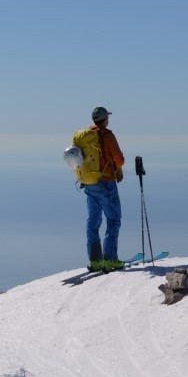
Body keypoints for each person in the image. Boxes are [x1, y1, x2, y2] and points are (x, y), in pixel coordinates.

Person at [70, 106, 126, 272]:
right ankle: (110, 260)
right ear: (105, 119)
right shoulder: (107, 135)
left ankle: (95, 261)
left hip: (89, 183)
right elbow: (119, 160)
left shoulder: (85, 137)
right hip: (105, 182)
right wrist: (118, 168)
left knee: (93, 222)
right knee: (114, 220)